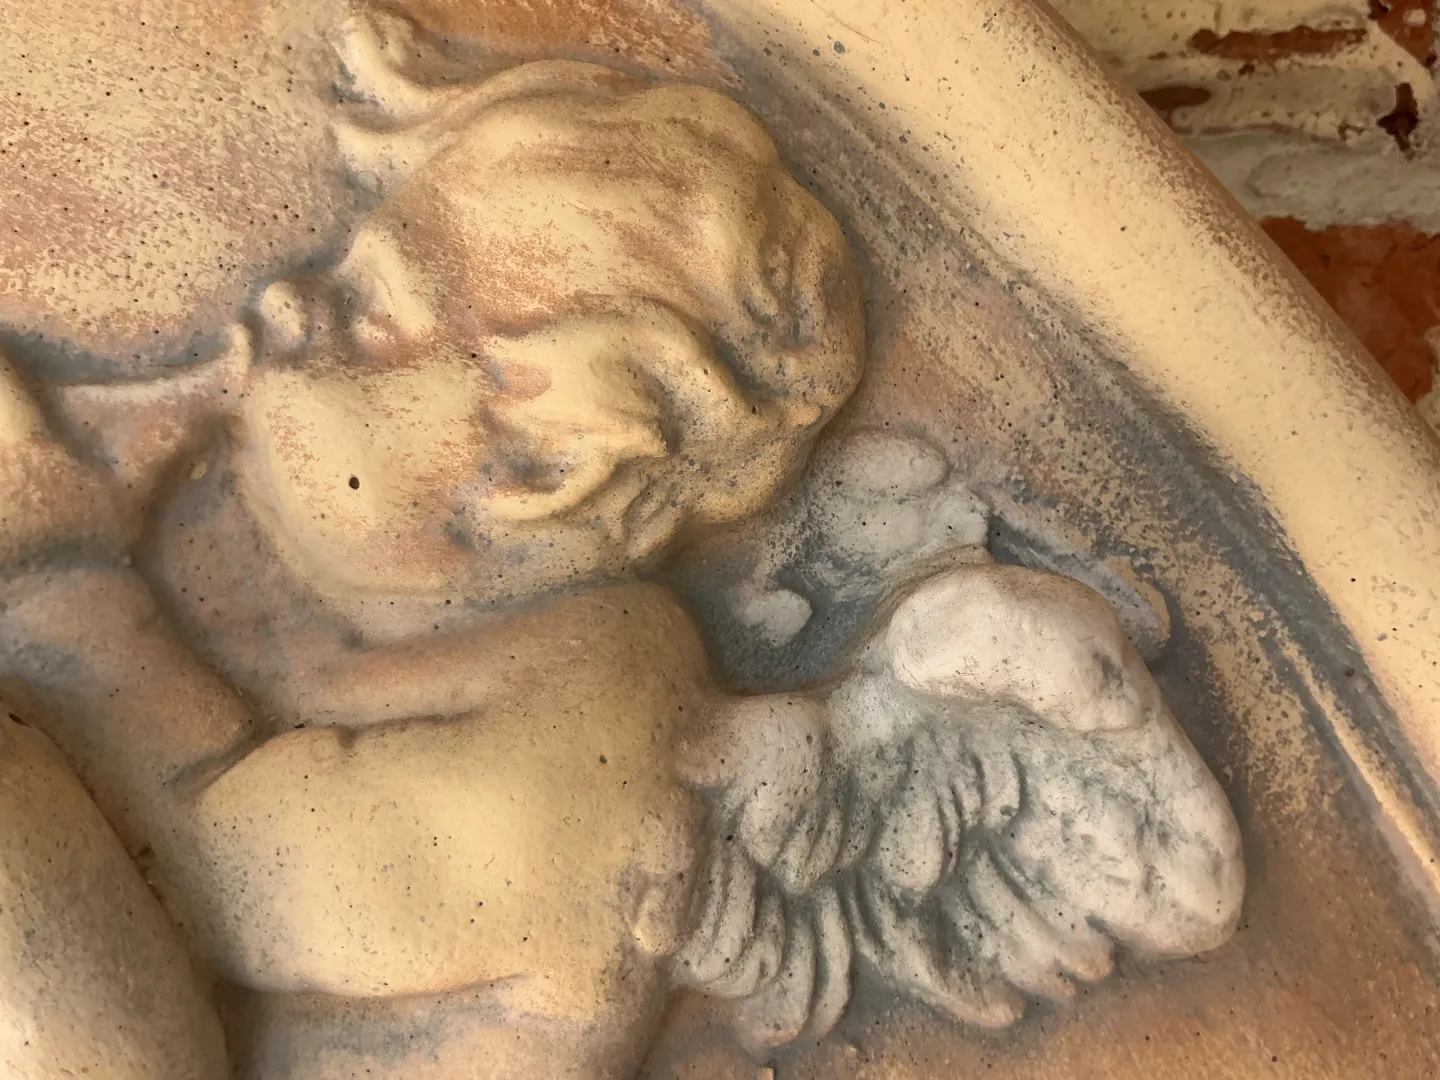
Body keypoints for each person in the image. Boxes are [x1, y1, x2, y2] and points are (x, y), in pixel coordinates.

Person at [0, 52, 1241, 1080]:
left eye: (365, 317)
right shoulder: (468, 641)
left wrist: (60, 572)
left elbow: (229, 870)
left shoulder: (600, 753)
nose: (280, 308)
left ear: (542, 473)